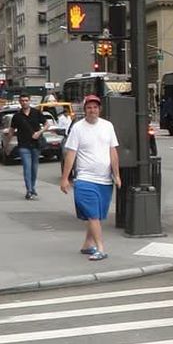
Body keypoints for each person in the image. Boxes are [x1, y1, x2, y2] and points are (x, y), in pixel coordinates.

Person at [59, 94, 121, 260]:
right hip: (85, 178)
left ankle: (87, 244)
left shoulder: (108, 126)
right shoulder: (78, 128)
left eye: (95, 107)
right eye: (89, 108)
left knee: (97, 215)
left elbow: (113, 151)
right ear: (84, 110)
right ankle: (100, 248)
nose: (92, 110)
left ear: (99, 109)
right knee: (93, 215)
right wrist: (65, 178)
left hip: (105, 180)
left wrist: (117, 175)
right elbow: (71, 154)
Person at [11, 93, 45, 199]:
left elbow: (47, 124)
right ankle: (29, 190)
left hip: (35, 145)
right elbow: (12, 130)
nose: (24, 102)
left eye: (26, 100)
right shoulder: (17, 116)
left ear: (29, 101)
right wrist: (7, 142)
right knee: (27, 167)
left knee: (34, 168)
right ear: (20, 102)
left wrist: (39, 132)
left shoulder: (36, 112)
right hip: (23, 145)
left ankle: (33, 187)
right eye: (22, 101)